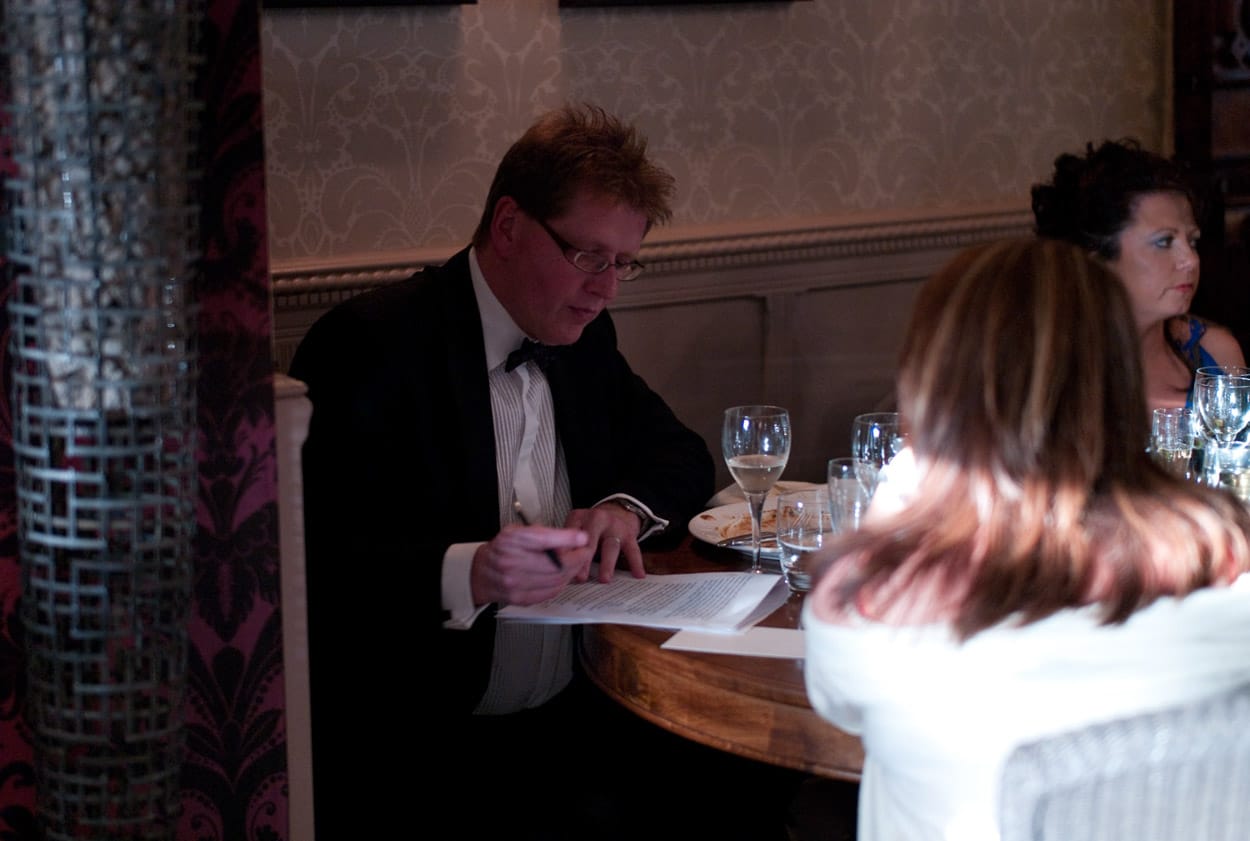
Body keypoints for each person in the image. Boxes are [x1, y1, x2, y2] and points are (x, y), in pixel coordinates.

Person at [290, 102, 804, 840]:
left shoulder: (584, 336)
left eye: (624, 262)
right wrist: (472, 571)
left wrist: (621, 507)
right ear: (508, 226)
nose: (606, 288)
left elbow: (681, 452)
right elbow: (320, 567)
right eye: (590, 256)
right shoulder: (371, 345)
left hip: (575, 724)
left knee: (750, 786)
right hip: (421, 751)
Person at [801, 237, 1250, 841]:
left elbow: (836, 704)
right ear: (1118, 379)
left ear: (936, 385)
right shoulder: (1227, 568)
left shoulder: (870, 603)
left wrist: (916, 476)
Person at [1031, 138, 1246, 414]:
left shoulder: (1216, 357)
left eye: (1192, 242)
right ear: (1099, 264)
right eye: (1164, 242)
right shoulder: (1048, 381)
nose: (1190, 260)